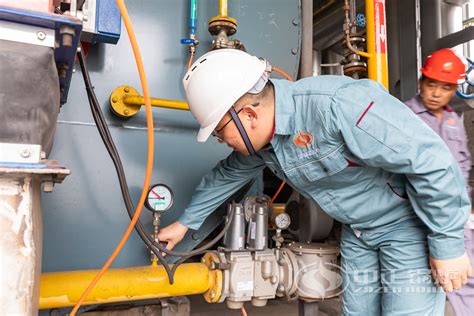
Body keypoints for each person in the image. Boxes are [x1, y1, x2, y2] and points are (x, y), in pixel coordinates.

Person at [158, 49, 472, 315]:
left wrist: (447, 246)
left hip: (406, 228)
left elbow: (431, 162)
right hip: (359, 233)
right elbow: (225, 175)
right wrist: (186, 223)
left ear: (249, 115)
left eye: (218, 132)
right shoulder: (264, 143)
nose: (221, 140)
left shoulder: (338, 106)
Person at [405, 48, 473, 316]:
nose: (435, 93)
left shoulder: (455, 121)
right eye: (431, 84)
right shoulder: (406, 116)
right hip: (421, 219)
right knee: (421, 287)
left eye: (444, 88)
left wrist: (467, 211)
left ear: (454, 90)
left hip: (457, 219)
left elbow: (464, 165)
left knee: (465, 278)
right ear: (421, 82)